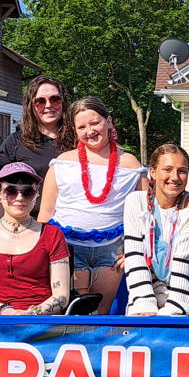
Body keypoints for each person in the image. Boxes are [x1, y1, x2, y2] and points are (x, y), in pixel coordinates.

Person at [40, 97, 146, 314]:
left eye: (95, 122)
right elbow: (46, 212)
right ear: (74, 130)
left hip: (111, 249)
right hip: (65, 248)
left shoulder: (131, 165)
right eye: (82, 127)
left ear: (108, 122)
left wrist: (134, 251)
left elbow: (145, 216)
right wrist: (39, 253)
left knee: (99, 313)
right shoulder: (62, 163)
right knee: (66, 312)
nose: (90, 131)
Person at [0, 162, 72, 315]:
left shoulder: (52, 234)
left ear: (36, 196)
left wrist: (30, 313)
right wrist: (5, 311)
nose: (19, 198)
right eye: (11, 191)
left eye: (28, 192)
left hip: (41, 323)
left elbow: (61, 296)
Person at [123, 143, 189, 315]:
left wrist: (175, 308)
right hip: (149, 293)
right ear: (152, 172)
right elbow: (135, 256)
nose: (175, 177)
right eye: (167, 169)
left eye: (182, 171)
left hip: (188, 296)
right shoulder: (135, 202)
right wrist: (143, 304)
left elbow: (186, 261)